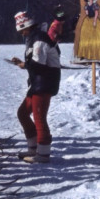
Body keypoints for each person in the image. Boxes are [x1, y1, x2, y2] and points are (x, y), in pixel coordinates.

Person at [10, 11, 61, 163]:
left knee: (39, 118)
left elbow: (39, 63)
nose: (22, 34)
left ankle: (43, 153)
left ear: (27, 27)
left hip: (45, 82)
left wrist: (24, 64)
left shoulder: (39, 39)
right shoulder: (34, 38)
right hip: (38, 82)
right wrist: (24, 64)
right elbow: (36, 63)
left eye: (22, 30)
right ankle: (33, 148)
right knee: (23, 113)